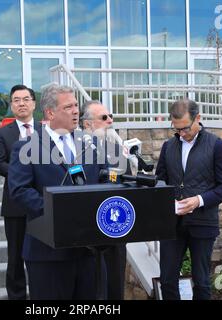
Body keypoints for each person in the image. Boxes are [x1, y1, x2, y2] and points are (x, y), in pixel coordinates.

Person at [7, 84, 107, 299]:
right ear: (51, 112)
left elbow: (103, 179)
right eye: (68, 106)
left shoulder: (91, 143)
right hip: (48, 254)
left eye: (76, 106)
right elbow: (20, 191)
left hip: (88, 251)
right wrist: (58, 211)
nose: (75, 111)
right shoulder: (26, 147)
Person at [155, 99, 222, 300]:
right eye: (176, 128)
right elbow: (160, 182)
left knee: (202, 282)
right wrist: (168, 203)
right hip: (171, 224)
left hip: (203, 222)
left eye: (185, 128)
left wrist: (199, 200)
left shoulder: (218, 145)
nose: (181, 133)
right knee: (167, 281)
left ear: (198, 118)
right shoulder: (167, 146)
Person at [0, 84, 41, 300]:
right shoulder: (4, 132)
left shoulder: (45, 129)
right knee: (15, 256)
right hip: (14, 204)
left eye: (25, 99)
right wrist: (22, 174)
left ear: (33, 103)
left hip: (41, 202)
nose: (21, 103)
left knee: (42, 253)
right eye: (16, 100)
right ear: (11, 105)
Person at [80, 100, 127, 300]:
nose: (110, 121)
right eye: (104, 118)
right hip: (87, 230)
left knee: (115, 286)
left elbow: (126, 181)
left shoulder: (115, 144)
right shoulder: (76, 149)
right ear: (87, 124)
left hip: (115, 226)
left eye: (110, 116)